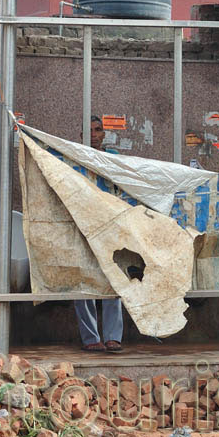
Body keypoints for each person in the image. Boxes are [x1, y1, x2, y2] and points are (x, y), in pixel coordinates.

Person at [74, 115, 125, 352]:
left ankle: (113, 336)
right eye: (90, 130)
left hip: (110, 226)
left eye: (98, 129)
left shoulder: (113, 159)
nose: (94, 134)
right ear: (82, 135)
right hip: (82, 225)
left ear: (104, 134)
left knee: (112, 281)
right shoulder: (73, 158)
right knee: (83, 282)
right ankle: (91, 338)